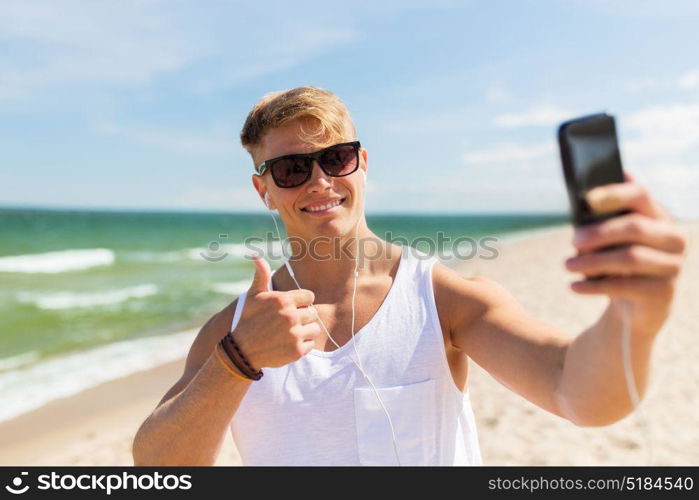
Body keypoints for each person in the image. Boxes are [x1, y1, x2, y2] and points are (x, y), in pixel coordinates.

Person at [132, 86, 687, 466]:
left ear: (362, 163)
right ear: (264, 190)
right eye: (292, 169)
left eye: (337, 158)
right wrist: (237, 361)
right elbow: (160, 466)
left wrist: (634, 318)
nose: (321, 181)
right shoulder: (234, 330)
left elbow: (579, 393)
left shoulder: (441, 297)